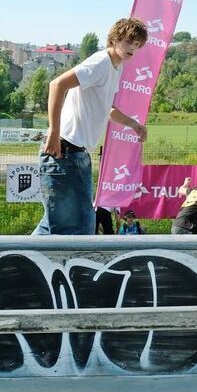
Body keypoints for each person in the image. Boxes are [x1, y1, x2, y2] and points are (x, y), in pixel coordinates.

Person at [34, 18, 148, 236]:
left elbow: (106, 108)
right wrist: (54, 131)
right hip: (64, 150)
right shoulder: (101, 63)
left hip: (78, 153)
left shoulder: (116, 67)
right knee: (76, 226)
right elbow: (57, 84)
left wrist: (133, 124)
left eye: (137, 44)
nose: (132, 48)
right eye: (128, 42)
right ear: (114, 40)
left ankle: (16, 262)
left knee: (59, 225)